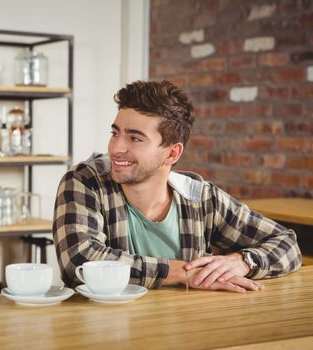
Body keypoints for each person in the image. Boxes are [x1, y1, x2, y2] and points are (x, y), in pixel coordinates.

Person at [53, 80, 302, 292]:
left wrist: (244, 262)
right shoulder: (84, 181)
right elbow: (80, 262)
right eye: (115, 133)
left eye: (135, 138)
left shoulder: (202, 199)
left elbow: (287, 243)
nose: (116, 147)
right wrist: (185, 273)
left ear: (172, 154)